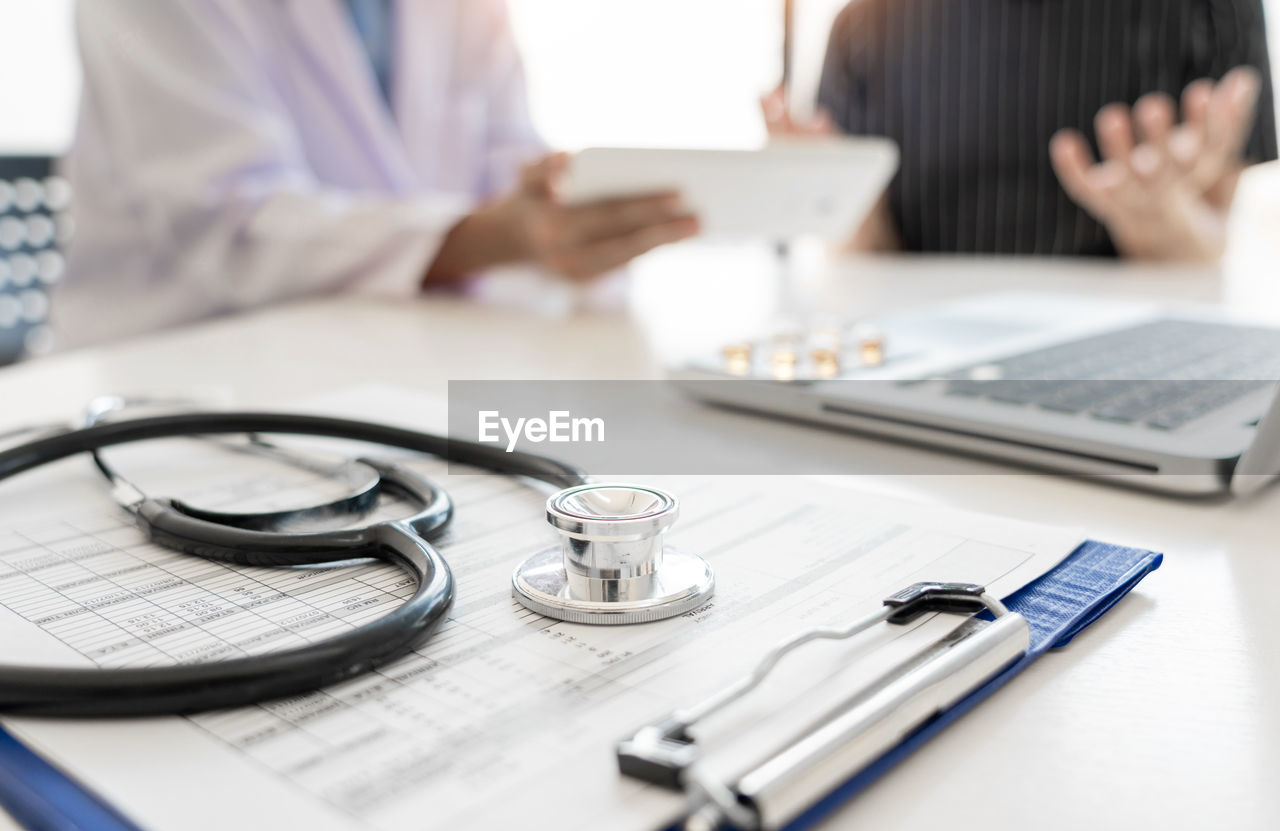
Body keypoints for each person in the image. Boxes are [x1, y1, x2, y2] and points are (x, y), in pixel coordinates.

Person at [56, 0, 698, 347]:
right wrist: (508, 234)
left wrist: (568, 223)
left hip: (399, 352)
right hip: (176, 367)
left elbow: (511, 168)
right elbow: (235, 225)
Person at [765, 0, 1277, 261]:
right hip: (922, 367)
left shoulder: (1207, 10)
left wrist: (1161, 223)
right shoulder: (867, 22)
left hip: (1127, 363)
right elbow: (867, 260)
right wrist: (836, 200)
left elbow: (1211, 251)